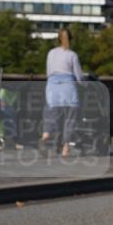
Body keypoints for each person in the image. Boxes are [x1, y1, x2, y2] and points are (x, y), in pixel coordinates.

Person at [41, 28, 83, 158]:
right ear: (70, 39)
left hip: (52, 86)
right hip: (68, 87)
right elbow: (78, 76)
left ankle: (46, 134)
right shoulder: (72, 55)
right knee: (70, 119)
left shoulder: (51, 53)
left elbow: (49, 73)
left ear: (58, 39)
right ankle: (65, 148)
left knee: (51, 113)